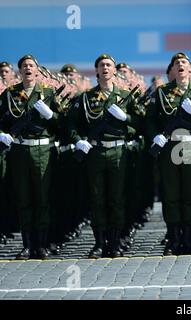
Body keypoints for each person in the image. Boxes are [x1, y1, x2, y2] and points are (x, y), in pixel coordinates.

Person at [67, 54, 141, 258]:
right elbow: (71, 123)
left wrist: (126, 118)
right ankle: (99, 243)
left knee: (116, 198)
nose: (106, 68)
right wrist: (78, 139)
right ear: (96, 71)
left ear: (114, 70)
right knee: (97, 198)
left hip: (118, 151)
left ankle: (115, 242)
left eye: (109, 65)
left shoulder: (125, 96)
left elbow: (140, 122)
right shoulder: (86, 98)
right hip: (95, 152)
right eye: (102, 65)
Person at [145, 52, 191, 255]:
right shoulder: (162, 93)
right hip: (169, 148)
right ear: (172, 70)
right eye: (177, 63)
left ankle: (189, 237)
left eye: (184, 62)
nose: (180, 65)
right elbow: (150, 120)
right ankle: (173, 238)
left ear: (190, 68)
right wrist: (155, 136)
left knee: (190, 194)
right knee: (171, 194)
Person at [0, 55, 62, 259]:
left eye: (31, 65)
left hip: (42, 151)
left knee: (42, 198)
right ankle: (27, 245)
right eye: (24, 66)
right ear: (20, 72)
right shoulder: (10, 94)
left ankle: (41, 245)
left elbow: (61, 124)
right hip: (19, 151)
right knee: (23, 198)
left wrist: (50, 115)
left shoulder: (48, 93)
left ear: (37, 70)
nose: (28, 68)